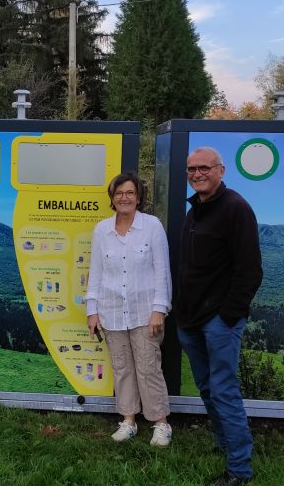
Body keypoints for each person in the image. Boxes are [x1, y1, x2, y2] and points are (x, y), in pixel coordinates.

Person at [176, 147, 263, 486]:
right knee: (208, 388)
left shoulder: (235, 209)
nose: (196, 174)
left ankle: (239, 470)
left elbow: (250, 272)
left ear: (220, 170)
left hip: (218, 321)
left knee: (224, 391)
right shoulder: (195, 209)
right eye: (191, 169)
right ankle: (226, 443)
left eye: (204, 168)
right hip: (191, 320)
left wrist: (227, 317)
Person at [86, 172, 173, 447]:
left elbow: (162, 272)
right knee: (122, 368)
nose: (124, 197)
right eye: (119, 193)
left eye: (129, 193)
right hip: (111, 311)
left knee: (148, 368)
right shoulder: (102, 230)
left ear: (138, 197)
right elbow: (96, 273)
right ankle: (129, 420)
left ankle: (161, 424)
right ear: (112, 198)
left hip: (145, 313)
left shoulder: (152, 226)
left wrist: (159, 309)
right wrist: (92, 309)